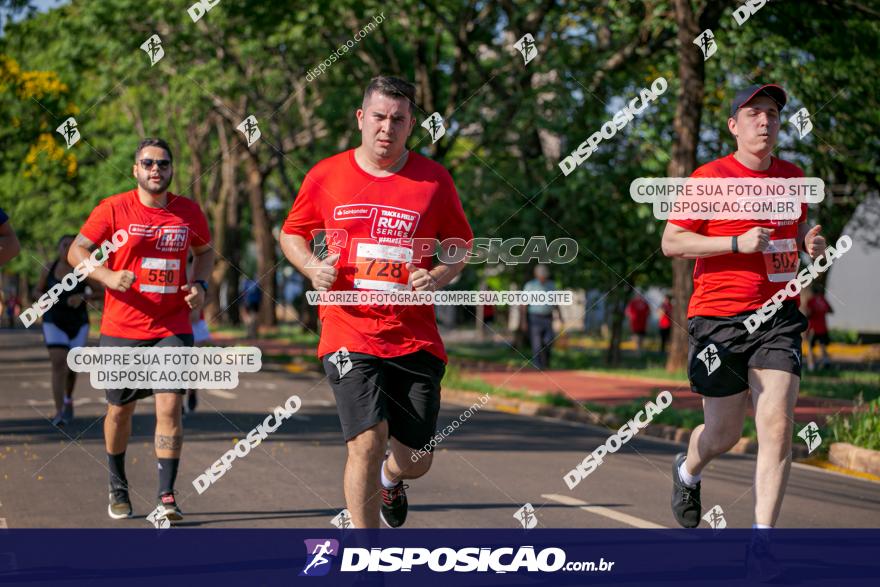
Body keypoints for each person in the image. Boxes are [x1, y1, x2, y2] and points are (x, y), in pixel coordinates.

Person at [279, 76, 472, 529]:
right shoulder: (326, 174)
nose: (387, 127)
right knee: (365, 440)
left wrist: (438, 275)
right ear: (361, 119)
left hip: (414, 337)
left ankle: (392, 477)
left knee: (416, 459)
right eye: (380, 117)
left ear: (411, 126)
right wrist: (310, 266)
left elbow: (461, 243)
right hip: (347, 329)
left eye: (399, 119)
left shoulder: (434, 179)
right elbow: (291, 233)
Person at [661, 85, 826, 546]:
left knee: (775, 422)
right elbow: (671, 242)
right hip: (718, 318)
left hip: (777, 315)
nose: (765, 121)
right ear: (734, 125)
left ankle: (762, 543)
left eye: (773, 113)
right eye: (755, 113)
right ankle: (688, 468)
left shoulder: (793, 179)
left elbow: (787, 247)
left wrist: (810, 248)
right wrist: (734, 243)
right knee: (723, 434)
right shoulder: (708, 178)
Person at [68, 138, 214, 523]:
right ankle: (117, 483)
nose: (156, 170)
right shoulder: (114, 208)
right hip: (123, 326)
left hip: (172, 325)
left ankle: (166, 495)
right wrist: (106, 274)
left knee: (170, 405)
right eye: (148, 163)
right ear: (135, 169)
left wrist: (201, 287)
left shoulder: (188, 213)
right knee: (120, 410)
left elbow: (205, 252)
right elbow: (77, 252)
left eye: (163, 164)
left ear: (171, 170)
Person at [35, 235, 93, 427]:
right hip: (53, 321)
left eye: (71, 245)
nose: (67, 248)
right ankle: (59, 411)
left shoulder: (83, 270)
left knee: (72, 367)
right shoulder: (49, 268)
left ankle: (68, 397)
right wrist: (47, 298)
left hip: (78, 322)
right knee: (59, 363)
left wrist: (82, 296)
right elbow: (37, 291)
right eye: (64, 245)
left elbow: (101, 291)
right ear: (58, 248)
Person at [521, 265, 561, 369]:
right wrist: (523, 321)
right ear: (536, 275)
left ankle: (546, 363)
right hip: (534, 317)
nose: (543, 277)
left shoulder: (551, 285)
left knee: (548, 341)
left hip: (548, 317)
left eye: (545, 276)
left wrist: (560, 317)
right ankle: (538, 365)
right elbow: (524, 304)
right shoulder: (530, 286)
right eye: (541, 275)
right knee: (537, 344)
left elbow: (556, 302)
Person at [805, 286, 833, 371]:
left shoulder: (811, 301)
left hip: (813, 328)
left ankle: (811, 366)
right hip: (823, 327)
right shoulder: (823, 300)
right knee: (823, 346)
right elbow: (831, 311)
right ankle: (825, 362)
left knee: (810, 347)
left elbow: (808, 313)